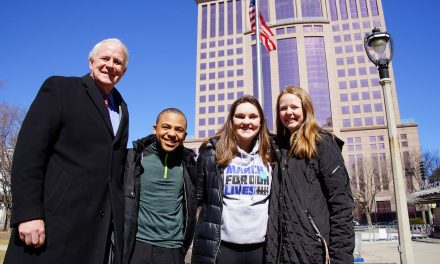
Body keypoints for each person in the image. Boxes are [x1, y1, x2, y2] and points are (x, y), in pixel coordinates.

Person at [5, 38, 129, 264]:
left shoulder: (122, 108)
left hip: (95, 232)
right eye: (105, 58)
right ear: (91, 61)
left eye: (118, 62)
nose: (110, 65)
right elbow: (29, 153)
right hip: (53, 224)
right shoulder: (60, 88)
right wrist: (28, 213)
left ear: (124, 70)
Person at [266, 86, 355, 264]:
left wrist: (341, 258)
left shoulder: (323, 143)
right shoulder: (277, 149)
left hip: (314, 253)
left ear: (305, 109)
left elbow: (341, 204)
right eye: (283, 108)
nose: (288, 112)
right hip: (279, 254)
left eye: (294, 107)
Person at [192, 95, 273, 264]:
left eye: (253, 116)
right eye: (240, 116)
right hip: (222, 247)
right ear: (231, 120)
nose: (246, 122)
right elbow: (198, 200)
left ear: (261, 122)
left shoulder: (273, 154)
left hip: (262, 247)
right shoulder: (211, 154)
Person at [123, 108, 197, 264]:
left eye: (179, 129)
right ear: (154, 129)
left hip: (173, 248)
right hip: (137, 245)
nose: (171, 133)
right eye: (166, 127)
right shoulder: (134, 158)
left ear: (184, 134)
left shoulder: (189, 164)